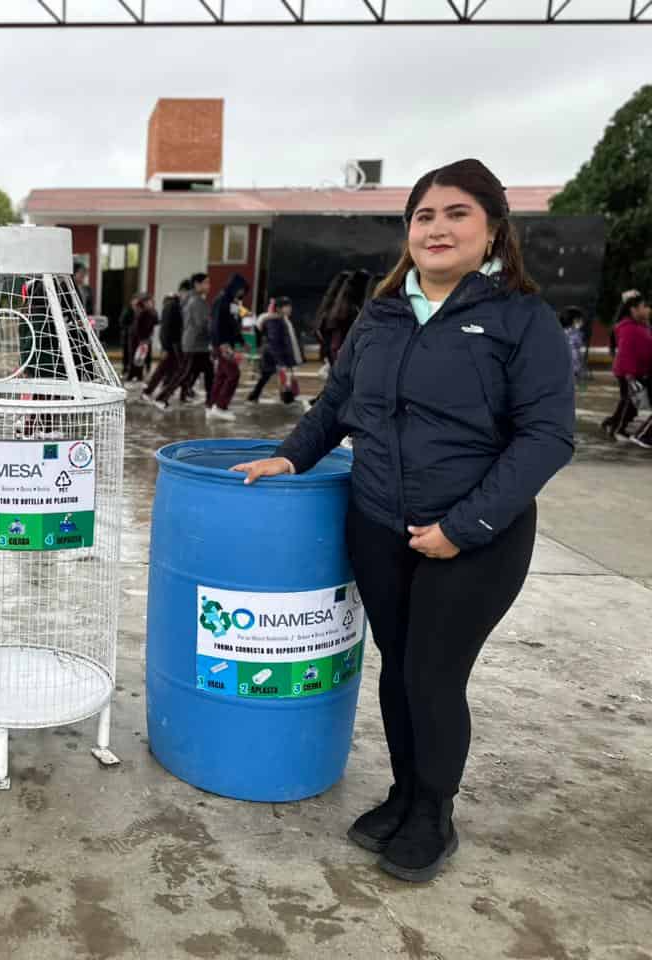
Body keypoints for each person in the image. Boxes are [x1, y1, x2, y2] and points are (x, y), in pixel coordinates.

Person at [233, 159, 574, 883]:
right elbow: (337, 405)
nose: (438, 227)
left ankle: (434, 815)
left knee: (432, 674)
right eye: (424, 216)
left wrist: (465, 525)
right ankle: (403, 793)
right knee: (398, 669)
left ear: (492, 231)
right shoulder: (382, 314)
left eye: (457, 214)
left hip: (475, 538)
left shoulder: (520, 318)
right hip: (379, 522)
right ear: (408, 232)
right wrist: (290, 458)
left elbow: (546, 436)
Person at [153, 273, 213, 411]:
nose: (209, 286)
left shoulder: (191, 299)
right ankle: (161, 398)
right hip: (194, 344)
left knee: (206, 372)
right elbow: (201, 324)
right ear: (197, 285)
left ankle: (211, 402)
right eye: (206, 283)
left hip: (197, 344)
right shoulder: (196, 301)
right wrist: (213, 333)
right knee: (183, 373)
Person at [600, 292, 652, 443]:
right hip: (629, 373)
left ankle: (612, 425)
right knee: (630, 403)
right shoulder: (628, 328)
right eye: (644, 306)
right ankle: (618, 430)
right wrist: (630, 375)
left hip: (638, 372)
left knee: (629, 403)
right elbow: (626, 354)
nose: (647, 309)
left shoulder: (641, 325)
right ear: (633, 309)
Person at [141, 279, 191, 406]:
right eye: (188, 294)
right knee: (169, 369)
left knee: (170, 369)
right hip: (172, 345)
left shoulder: (178, 305)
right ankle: (152, 393)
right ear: (182, 291)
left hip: (175, 345)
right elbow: (166, 328)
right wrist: (165, 347)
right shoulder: (172, 305)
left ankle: (155, 392)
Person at [208, 274, 248, 421]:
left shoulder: (233, 302)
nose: (242, 293)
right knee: (233, 374)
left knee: (221, 375)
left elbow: (234, 326)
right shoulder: (222, 300)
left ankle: (211, 406)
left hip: (226, 343)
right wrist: (221, 343)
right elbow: (216, 324)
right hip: (222, 344)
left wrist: (241, 341)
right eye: (241, 289)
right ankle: (220, 407)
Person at [246, 296, 301, 404]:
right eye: (286, 306)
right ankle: (287, 399)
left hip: (276, 354)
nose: (290, 309)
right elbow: (274, 341)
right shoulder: (275, 321)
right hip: (275, 354)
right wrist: (281, 360)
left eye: (290, 306)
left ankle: (254, 395)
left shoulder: (281, 320)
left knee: (267, 375)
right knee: (283, 376)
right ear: (279, 308)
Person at [126, 292, 158, 382]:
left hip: (144, 338)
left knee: (141, 357)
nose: (150, 304)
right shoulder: (141, 311)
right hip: (137, 338)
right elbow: (137, 327)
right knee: (135, 356)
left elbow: (156, 321)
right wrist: (141, 339)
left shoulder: (151, 312)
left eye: (151, 302)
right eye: (148, 302)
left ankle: (138, 375)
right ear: (144, 303)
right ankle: (132, 375)